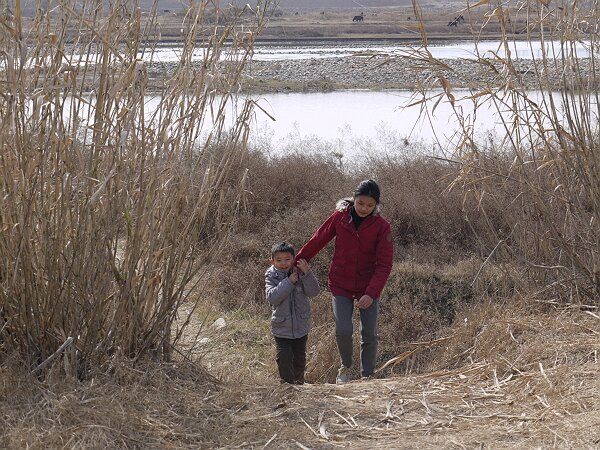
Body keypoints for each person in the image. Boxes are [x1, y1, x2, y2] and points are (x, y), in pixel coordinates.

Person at [295, 179, 393, 384]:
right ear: (354, 199)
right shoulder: (340, 217)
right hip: (341, 283)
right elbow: (318, 239)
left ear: (376, 205)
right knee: (343, 329)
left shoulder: (382, 227)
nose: (364, 208)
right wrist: (298, 262)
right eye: (360, 203)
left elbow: (384, 264)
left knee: (369, 333)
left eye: (370, 205)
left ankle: (368, 374)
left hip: (368, 285)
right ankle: (345, 367)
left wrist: (371, 293)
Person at [265, 242, 320, 385]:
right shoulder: (271, 275)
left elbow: (314, 292)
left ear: (294, 258)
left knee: (299, 359)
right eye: (278, 260)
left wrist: (307, 273)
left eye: (287, 259)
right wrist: (289, 282)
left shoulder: (301, 273)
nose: (283, 263)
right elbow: (272, 297)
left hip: (301, 326)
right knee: (283, 357)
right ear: (272, 261)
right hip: (281, 327)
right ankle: (287, 387)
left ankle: (298, 384)